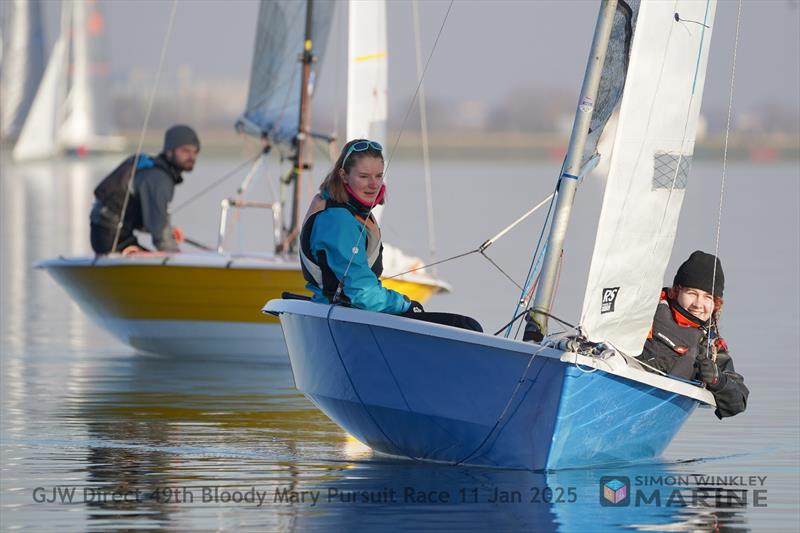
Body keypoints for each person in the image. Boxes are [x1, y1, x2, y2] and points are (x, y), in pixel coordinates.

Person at [299, 139, 481, 332]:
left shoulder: (353, 213)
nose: (373, 184)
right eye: (364, 176)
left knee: (462, 325)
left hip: (355, 316)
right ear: (343, 176)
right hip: (343, 321)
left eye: (379, 176)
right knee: (467, 327)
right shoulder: (338, 220)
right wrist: (405, 304)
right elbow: (361, 293)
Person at [637, 251, 748, 419]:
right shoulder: (645, 310)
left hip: (654, 414)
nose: (698, 304)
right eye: (692, 293)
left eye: (707, 297)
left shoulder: (711, 345)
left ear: (716, 304)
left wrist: (718, 381)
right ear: (676, 292)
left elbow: (738, 402)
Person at [89, 125, 200, 254]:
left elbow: (152, 219)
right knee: (161, 259)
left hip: (108, 234)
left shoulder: (156, 171)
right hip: (111, 237)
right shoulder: (159, 179)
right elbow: (160, 234)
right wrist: (179, 261)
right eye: (185, 151)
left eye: (195, 152)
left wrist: (169, 231)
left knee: (154, 255)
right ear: (170, 151)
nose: (191, 156)